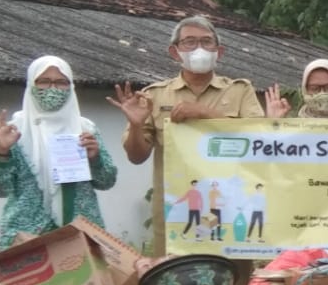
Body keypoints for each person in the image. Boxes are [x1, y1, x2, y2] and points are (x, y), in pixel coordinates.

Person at [111, 15, 270, 255]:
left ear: (220, 51)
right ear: (175, 52)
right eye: (189, 42)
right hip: (174, 210)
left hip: (229, 206)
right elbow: (136, 156)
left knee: (232, 281)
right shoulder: (154, 96)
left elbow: (258, 139)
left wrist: (204, 113)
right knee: (177, 280)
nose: (199, 48)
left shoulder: (240, 90)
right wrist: (135, 125)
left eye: (207, 42)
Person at [0, 56, 117, 249]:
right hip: (26, 238)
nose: (53, 88)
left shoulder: (85, 128)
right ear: (31, 84)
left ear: (71, 87)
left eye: (61, 82)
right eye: (44, 81)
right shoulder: (14, 131)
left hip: (81, 236)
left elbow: (107, 181)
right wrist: (1, 152)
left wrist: (95, 159)